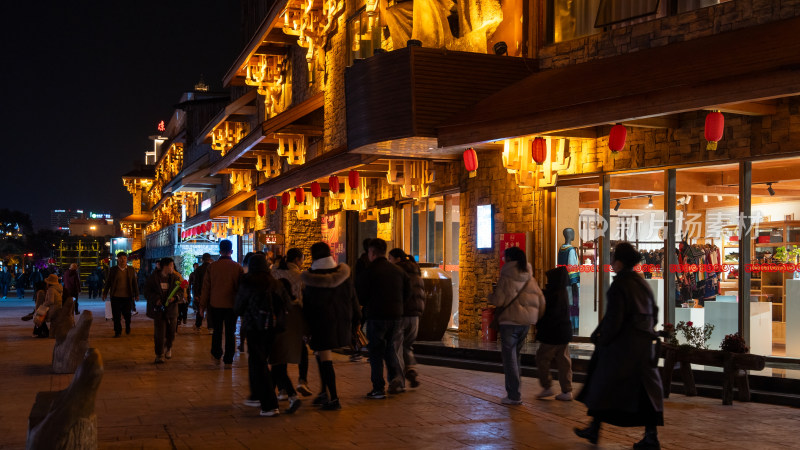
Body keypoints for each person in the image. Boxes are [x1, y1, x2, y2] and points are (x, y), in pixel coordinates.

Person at [575, 242, 664, 449]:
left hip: (622, 348)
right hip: (643, 348)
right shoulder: (642, 283)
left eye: (613, 257)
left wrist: (602, 340)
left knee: (602, 386)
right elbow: (655, 312)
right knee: (645, 393)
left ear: (620, 261)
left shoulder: (620, 285)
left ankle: (594, 429)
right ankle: (650, 436)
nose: (611, 261)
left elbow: (615, 318)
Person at [301, 242, 361, 410]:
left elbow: (307, 307)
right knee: (322, 356)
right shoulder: (343, 274)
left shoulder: (311, 278)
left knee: (324, 357)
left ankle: (333, 398)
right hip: (341, 321)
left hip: (320, 323)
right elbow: (353, 299)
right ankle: (323, 392)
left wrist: (305, 329)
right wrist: (356, 321)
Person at [234, 253, 292, 417]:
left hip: (254, 328)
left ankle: (269, 404)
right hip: (273, 329)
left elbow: (238, 307)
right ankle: (259, 397)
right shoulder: (275, 283)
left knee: (259, 365)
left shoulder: (247, 282)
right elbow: (288, 304)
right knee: (264, 362)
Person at [488, 246, 545, 405]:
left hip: (509, 323)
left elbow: (498, 300)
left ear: (509, 259)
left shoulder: (506, 276)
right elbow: (541, 300)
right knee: (515, 357)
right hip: (525, 324)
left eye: (504, 257)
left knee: (510, 359)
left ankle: (514, 395)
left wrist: (490, 296)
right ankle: (515, 392)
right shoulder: (529, 277)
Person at [356, 238, 410, 398]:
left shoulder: (369, 272)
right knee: (390, 349)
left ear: (371, 253)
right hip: (395, 315)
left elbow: (361, 296)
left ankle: (378, 388)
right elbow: (407, 293)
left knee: (376, 352)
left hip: (376, 316)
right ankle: (395, 379)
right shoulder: (398, 271)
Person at [272, 247, 313, 397]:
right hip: (296, 316)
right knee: (301, 349)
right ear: (297, 260)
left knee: (280, 353)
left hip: (277, 317)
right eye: (302, 259)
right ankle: (302, 380)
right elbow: (305, 300)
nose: (303, 262)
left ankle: (282, 389)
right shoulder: (300, 276)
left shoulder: (274, 273)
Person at [200, 240, 243, 367]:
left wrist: (202, 306)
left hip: (215, 304)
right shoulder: (238, 267)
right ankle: (229, 360)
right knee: (230, 332)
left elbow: (206, 288)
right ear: (232, 251)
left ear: (219, 251)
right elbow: (241, 289)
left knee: (217, 331)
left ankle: (216, 354)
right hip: (231, 305)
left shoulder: (212, 267)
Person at [387, 248, 425, 388]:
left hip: (401, 314)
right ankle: (411, 369)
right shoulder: (416, 270)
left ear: (397, 259)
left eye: (390, 258)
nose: (389, 261)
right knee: (407, 346)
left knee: (396, 347)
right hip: (415, 316)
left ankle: (398, 380)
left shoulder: (397, 272)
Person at [535, 266, 574, 401]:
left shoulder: (552, 293)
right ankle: (567, 390)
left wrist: (539, 327)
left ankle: (547, 386)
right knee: (564, 361)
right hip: (564, 333)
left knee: (542, 358)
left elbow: (548, 315)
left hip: (552, 334)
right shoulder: (563, 293)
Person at [144, 257, 183, 363]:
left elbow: (180, 292)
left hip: (172, 310)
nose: (172, 268)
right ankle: (159, 354)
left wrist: (175, 298)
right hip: (158, 310)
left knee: (171, 332)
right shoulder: (153, 278)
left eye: (173, 265)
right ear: (165, 266)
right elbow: (147, 292)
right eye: (171, 266)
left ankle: (169, 347)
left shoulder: (175, 278)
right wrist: (156, 299)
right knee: (159, 334)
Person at [102, 252, 140, 337]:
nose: (123, 260)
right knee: (116, 316)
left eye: (124, 258)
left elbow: (134, 283)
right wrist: (104, 293)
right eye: (121, 258)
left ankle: (127, 326)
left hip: (127, 296)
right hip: (115, 296)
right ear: (118, 259)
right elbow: (108, 283)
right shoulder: (113, 270)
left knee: (127, 315)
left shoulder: (130, 269)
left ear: (126, 259)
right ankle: (117, 332)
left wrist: (137, 294)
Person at [193, 253, 212, 331]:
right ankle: (210, 327)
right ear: (210, 259)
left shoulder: (199, 269)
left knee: (200, 309)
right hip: (211, 293)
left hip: (201, 292)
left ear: (202, 259)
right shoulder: (212, 268)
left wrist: (196, 294)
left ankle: (198, 326)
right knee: (210, 310)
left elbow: (196, 283)